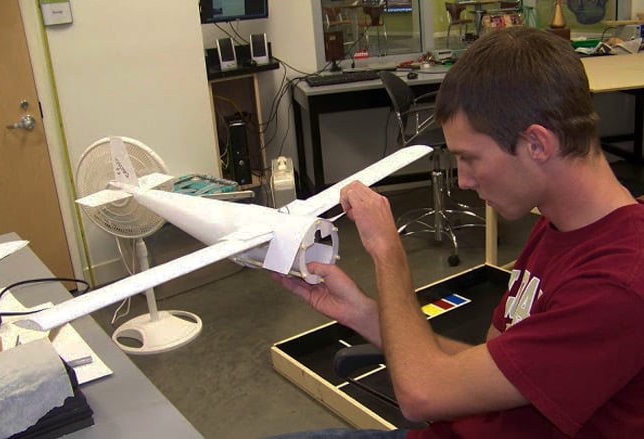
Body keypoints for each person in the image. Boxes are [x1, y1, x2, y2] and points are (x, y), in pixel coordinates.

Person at [271, 27, 644, 438]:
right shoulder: (558, 228)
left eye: (470, 158)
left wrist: (387, 253)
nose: (463, 180)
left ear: (537, 144)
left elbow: (421, 394)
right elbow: (484, 370)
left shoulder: (620, 283)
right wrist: (359, 312)